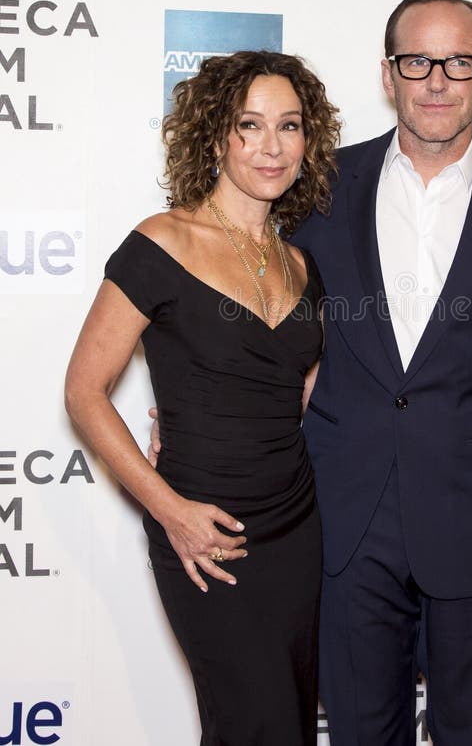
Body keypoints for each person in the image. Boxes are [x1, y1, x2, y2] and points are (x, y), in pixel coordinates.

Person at [290, 0, 472, 745]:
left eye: (458, 62)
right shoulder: (316, 190)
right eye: (416, 60)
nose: (436, 81)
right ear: (387, 75)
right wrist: (194, 424)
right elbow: (262, 325)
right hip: (346, 520)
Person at [65, 51, 340, 746]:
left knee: (284, 725)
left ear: (309, 141)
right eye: (249, 126)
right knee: (254, 722)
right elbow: (84, 391)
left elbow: (293, 392)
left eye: (289, 126)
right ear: (217, 137)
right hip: (204, 531)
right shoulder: (161, 242)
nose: (271, 146)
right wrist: (170, 509)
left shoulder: (302, 265)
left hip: (295, 526)